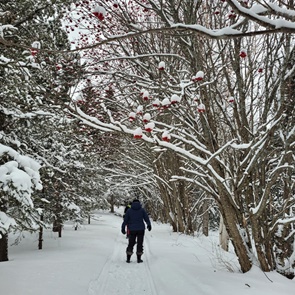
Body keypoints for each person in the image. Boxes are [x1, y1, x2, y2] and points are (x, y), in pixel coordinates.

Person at [121, 199, 151, 263]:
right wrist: (149, 225)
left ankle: (128, 258)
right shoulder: (142, 210)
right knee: (140, 243)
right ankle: (139, 259)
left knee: (131, 243)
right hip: (141, 229)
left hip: (132, 229)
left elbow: (125, 220)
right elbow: (146, 218)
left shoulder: (129, 211)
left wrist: (123, 228)